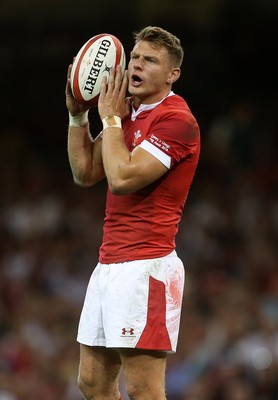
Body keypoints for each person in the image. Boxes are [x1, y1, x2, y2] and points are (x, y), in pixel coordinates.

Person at [65, 26, 200, 400]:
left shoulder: (177, 121)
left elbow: (123, 179)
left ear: (172, 74)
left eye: (150, 61)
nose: (137, 65)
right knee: (91, 383)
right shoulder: (130, 114)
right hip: (109, 264)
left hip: (147, 267)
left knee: (144, 390)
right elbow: (85, 173)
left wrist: (109, 119)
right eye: (136, 57)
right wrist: (79, 117)